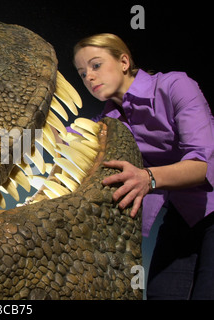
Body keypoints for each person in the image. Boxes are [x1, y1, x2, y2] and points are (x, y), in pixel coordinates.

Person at [73, 33, 214, 299]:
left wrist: (147, 177)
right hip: (181, 216)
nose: (88, 77)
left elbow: (200, 166)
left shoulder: (176, 85)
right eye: (81, 73)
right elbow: (67, 137)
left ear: (124, 61)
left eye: (96, 65)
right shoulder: (108, 121)